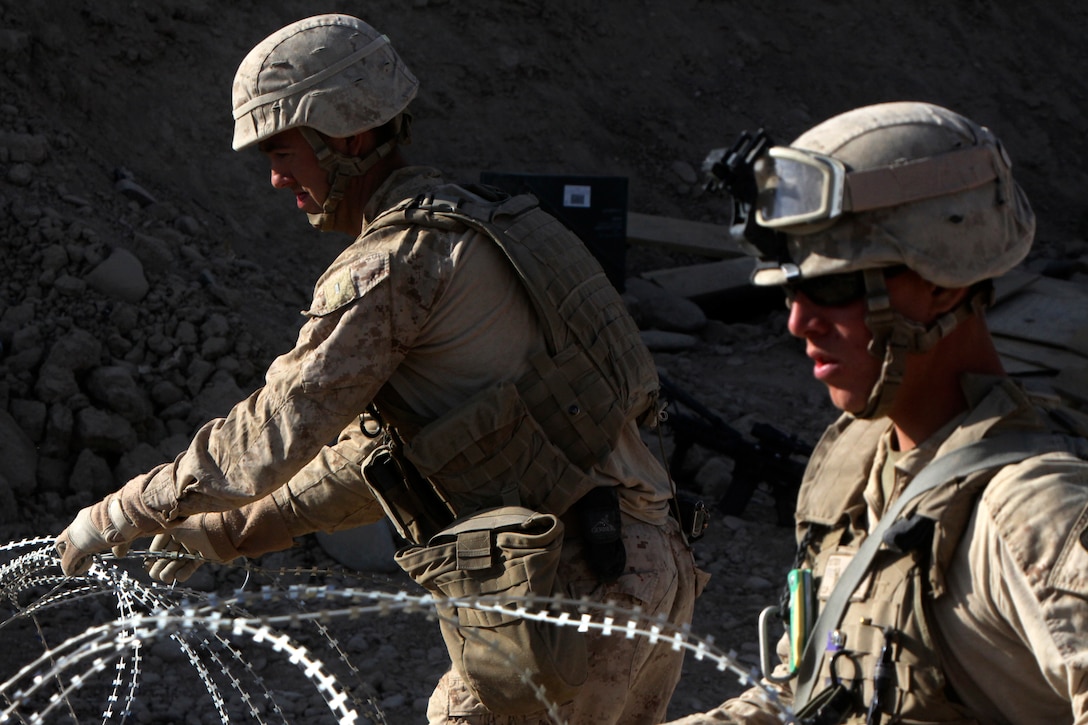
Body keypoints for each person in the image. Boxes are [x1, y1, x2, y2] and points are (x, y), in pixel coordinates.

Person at [54, 14, 704, 724]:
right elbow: (381, 461)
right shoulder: (502, 228)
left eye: (282, 150)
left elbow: (273, 432)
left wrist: (121, 512)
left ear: (348, 137)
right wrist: (229, 530)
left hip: (575, 590)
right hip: (646, 569)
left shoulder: (393, 266)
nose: (275, 178)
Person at [670, 101, 1088, 724]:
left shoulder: (1030, 515)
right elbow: (805, 693)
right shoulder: (859, 462)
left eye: (834, 288)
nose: (799, 322)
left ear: (941, 283)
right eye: (792, 291)